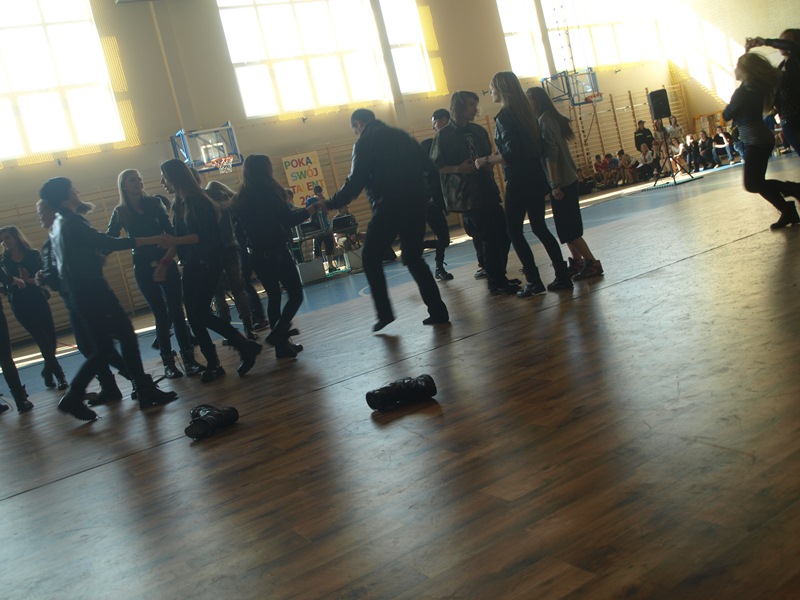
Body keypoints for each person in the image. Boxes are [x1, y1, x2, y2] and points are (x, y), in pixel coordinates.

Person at [39, 177, 176, 421]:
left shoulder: (59, 224)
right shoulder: (71, 221)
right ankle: (79, 395)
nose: (76, 190)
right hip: (93, 291)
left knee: (114, 342)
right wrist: (149, 239)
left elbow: (78, 256)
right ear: (65, 194)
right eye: (72, 188)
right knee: (114, 343)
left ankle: (139, 390)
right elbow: (104, 242)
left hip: (83, 293)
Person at [327, 109, 449, 331]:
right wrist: (428, 197)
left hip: (389, 206)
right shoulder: (402, 135)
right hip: (416, 204)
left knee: (370, 257)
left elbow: (355, 182)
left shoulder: (365, 142)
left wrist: (330, 203)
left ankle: (384, 314)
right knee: (413, 258)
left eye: (355, 130)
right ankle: (438, 311)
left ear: (359, 123)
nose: (356, 134)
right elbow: (430, 168)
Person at [158, 159, 262, 381]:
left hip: (207, 262)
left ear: (174, 177)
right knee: (194, 316)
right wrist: (165, 262)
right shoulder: (179, 203)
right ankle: (216, 361)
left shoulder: (198, 201)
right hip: (192, 264)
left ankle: (242, 345)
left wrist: (174, 242)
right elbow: (179, 239)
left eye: (164, 177)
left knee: (200, 314)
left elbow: (203, 236)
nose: (162, 182)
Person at [476, 72, 572, 296]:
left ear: (501, 89)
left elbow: (512, 152)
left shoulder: (505, 117)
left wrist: (488, 160)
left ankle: (533, 280)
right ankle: (562, 274)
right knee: (539, 227)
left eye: (492, 88)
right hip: (536, 177)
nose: (491, 92)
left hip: (519, 180)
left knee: (513, 231)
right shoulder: (526, 114)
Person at [108, 169, 203, 380]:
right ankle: (169, 363)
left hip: (165, 262)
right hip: (142, 267)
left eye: (139, 179)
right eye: (133, 180)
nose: (138, 183)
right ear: (124, 186)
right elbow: (110, 240)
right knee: (160, 315)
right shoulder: (120, 212)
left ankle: (189, 359)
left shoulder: (154, 203)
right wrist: (135, 243)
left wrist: (165, 262)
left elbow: (171, 234)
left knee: (177, 312)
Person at [37, 200, 127, 406]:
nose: (39, 217)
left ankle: (131, 382)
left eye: (42, 211)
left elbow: (84, 261)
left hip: (86, 297)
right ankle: (118, 385)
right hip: (75, 299)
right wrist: (46, 275)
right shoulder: (53, 240)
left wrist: (48, 276)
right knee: (94, 347)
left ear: (53, 211)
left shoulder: (62, 235)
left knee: (98, 347)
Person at [431, 91, 518, 296]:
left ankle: (498, 275)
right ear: (459, 107)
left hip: (487, 188)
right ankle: (496, 281)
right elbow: (436, 165)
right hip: (467, 195)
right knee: (488, 236)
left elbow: (488, 155)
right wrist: (459, 169)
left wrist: (488, 163)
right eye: (471, 105)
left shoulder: (478, 131)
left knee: (504, 233)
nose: (474, 109)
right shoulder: (444, 135)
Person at [231, 154, 319, 356]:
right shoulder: (271, 192)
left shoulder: (240, 199)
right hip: (277, 252)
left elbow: (239, 233)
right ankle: (278, 334)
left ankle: (282, 346)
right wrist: (312, 209)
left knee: (274, 297)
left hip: (256, 255)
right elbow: (289, 220)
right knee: (295, 295)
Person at [527, 86, 604, 280]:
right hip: (567, 178)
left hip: (561, 181)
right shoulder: (550, 118)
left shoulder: (544, 121)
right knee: (565, 227)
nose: (527, 104)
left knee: (569, 228)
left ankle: (592, 262)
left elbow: (551, 154)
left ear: (537, 101)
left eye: (529, 100)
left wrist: (554, 184)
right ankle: (577, 261)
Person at [723, 52, 800, 229]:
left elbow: (726, 114)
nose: (735, 70)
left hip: (756, 140)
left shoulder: (743, 92)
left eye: (737, 66)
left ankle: (794, 190)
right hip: (759, 138)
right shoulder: (754, 88)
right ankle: (788, 210)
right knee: (756, 183)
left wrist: (729, 107)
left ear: (745, 70)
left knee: (752, 184)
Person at [0, 226, 68, 391]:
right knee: (42, 339)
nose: (5, 242)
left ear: (16, 237)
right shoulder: (4, 262)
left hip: (38, 299)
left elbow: (43, 276)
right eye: (2, 240)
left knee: (51, 339)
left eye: (7, 238)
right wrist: (15, 282)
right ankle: (60, 376)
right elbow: (5, 285)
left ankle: (47, 370)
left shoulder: (33, 255)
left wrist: (28, 279)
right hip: (20, 304)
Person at [204, 180, 258, 338]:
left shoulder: (199, 200)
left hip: (211, 251)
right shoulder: (222, 196)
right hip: (230, 246)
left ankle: (228, 332)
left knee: (218, 293)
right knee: (238, 289)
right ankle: (249, 327)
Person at [745, 30, 800, 155]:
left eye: (785, 41)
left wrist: (765, 41)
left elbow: (793, 47)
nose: (781, 44)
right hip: (788, 121)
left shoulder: (797, 59)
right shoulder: (780, 67)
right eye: (781, 40)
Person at [420, 109, 453, 281]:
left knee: (444, 240)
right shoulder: (428, 172)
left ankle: (421, 246)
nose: (433, 127)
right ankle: (439, 268)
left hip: (437, 204)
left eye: (435, 122)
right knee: (443, 239)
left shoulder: (432, 169)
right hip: (430, 206)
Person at [306, 185, 338, 274]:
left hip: (325, 226)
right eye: (318, 194)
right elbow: (309, 213)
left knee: (329, 246)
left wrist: (324, 202)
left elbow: (327, 212)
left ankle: (330, 265)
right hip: (317, 227)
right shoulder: (310, 201)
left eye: (321, 193)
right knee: (317, 248)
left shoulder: (323, 199)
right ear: (315, 193)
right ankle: (318, 269)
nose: (320, 195)